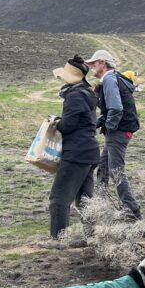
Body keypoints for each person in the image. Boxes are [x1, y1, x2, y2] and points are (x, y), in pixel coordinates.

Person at [44, 55, 99, 247]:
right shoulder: (88, 93)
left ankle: (59, 240)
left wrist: (56, 123)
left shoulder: (74, 96)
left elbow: (68, 126)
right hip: (90, 152)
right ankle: (92, 237)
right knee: (85, 200)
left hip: (76, 153)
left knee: (59, 198)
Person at [88, 49, 142, 221]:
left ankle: (132, 211)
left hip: (118, 132)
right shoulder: (112, 78)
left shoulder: (110, 80)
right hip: (119, 130)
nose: (91, 67)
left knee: (116, 171)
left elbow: (116, 108)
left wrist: (109, 127)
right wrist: (98, 123)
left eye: (93, 64)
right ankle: (100, 206)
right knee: (103, 169)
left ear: (103, 63)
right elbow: (112, 110)